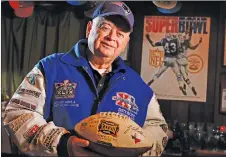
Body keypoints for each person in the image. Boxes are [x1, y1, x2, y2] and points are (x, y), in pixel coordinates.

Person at [3, 1, 168, 156]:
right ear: (90, 29)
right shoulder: (50, 67)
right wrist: (63, 144)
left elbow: (158, 129)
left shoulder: (139, 87)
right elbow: (18, 114)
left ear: (126, 42)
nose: (112, 37)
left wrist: (136, 150)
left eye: (120, 33)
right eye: (105, 27)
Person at [176, 31, 202, 96]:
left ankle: (183, 86)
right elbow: (193, 47)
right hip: (185, 61)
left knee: (181, 76)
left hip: (179, 61)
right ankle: (186, 87)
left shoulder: (177, 43)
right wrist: (198, 43)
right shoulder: (186, 42)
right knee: (185, 75)